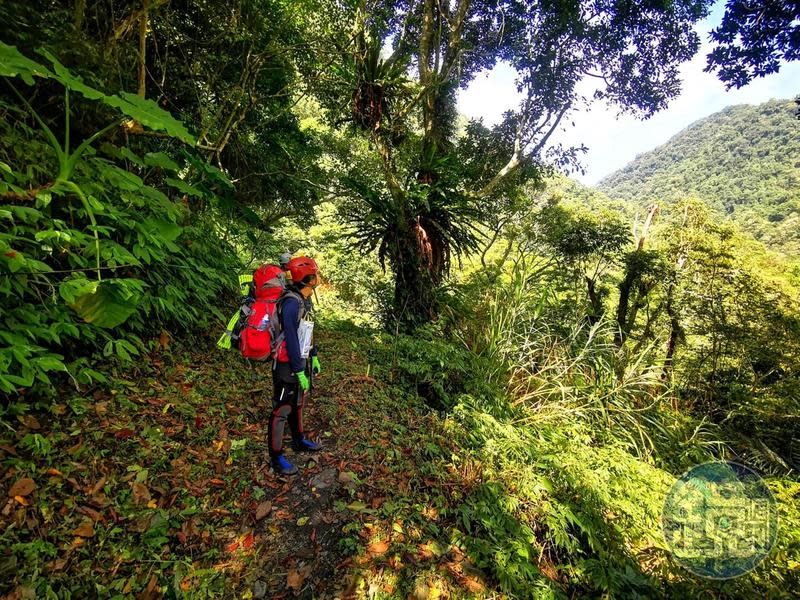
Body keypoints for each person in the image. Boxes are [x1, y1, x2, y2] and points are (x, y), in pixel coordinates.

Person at [268, 256, 322, 475]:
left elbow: (305, 332)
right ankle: (276, 456)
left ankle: (298, 440)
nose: (318, 277)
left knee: (297, 403)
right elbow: (290, 336)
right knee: (281, 408)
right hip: (285, 364)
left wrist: (314, 355)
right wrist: (299, 369)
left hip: (299, 360)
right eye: (315, 274)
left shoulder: (303, 299)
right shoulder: (291, 302)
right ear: (307, 277)